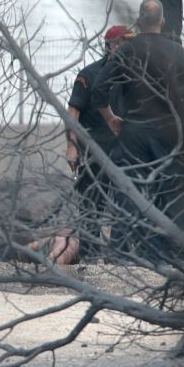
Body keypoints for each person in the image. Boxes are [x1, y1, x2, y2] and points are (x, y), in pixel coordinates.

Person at [90, 0, 184, 262]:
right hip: (170, 132)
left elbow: (98, 89)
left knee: (128, 191)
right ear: (162, 21)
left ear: (139, 21)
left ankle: (121, 255)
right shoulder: (178, 52)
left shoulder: (126, 51)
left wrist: (110, 117)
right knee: (172, 193)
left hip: (134, 132)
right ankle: (175, 255)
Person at [65, 24, 136, 260]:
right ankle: (90, 258)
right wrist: (72, 146)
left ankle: (120, 259)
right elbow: (73, 112)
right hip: (93, 146)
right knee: (90, 206)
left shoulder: (134, 76)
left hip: (123, 148)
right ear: (112, 46)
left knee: (125, 203)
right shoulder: (89, 74)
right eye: (125, 42)